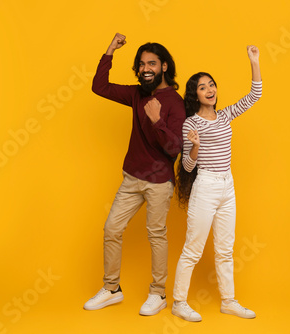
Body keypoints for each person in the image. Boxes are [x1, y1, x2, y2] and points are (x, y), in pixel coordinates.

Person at [83, 33, 186, 316]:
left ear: (164, 66)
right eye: (141, 64)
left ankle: (158, 293)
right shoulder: (136, 93)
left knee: (156, 235)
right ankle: (112, 289)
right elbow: (99, 86)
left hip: (159, 182)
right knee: (112, 229)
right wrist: (110, 50)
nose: (145, 69)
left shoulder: (174, 102)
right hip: (131, 178)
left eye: (151, 64)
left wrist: (156, 120)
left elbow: (175, 147)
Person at [172, 45, 262, 322]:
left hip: (227, 185)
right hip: (206, 186)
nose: (210, 90)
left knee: (225, 249)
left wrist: (254, 61)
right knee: (193, 248)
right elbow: (187, 166)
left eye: (211, 85)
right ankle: (178, 302)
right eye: (202, 87)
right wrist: (196, 147)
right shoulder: (190, 124)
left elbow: (255, 95)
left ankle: (228, 301)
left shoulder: (224, 116)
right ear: (194, 94)